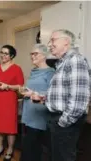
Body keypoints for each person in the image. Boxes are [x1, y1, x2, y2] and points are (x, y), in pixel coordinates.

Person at [31, 29, 91, 161]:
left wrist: (62, 123)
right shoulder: (63, 63)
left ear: (66, 42)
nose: (49, 44)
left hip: (65, 122)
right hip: (57, 118)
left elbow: (79, 100)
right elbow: (62, 93)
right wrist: (43, 97)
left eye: (53, 40)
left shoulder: (75, 60)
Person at [19, 44, 55, 161]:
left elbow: (52, 93)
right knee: (30, 147)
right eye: (31, 54)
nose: (32, 56)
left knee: (31, 148)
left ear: (44, 55)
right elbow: (33, 88)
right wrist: (24, 90)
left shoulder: (50, 72)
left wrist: (33, 93)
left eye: (35, 54)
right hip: (29, 112)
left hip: (40, 114)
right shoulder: (34, 71)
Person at [0, 45, 24, 161]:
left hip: (10, 101)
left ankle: (10, 149)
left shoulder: (16, 68)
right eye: (2, 52)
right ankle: (0, 148)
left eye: (6, 54)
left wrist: (7, 86)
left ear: (12, 56)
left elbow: (20, 86)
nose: (3, 55)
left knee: (10, 128)